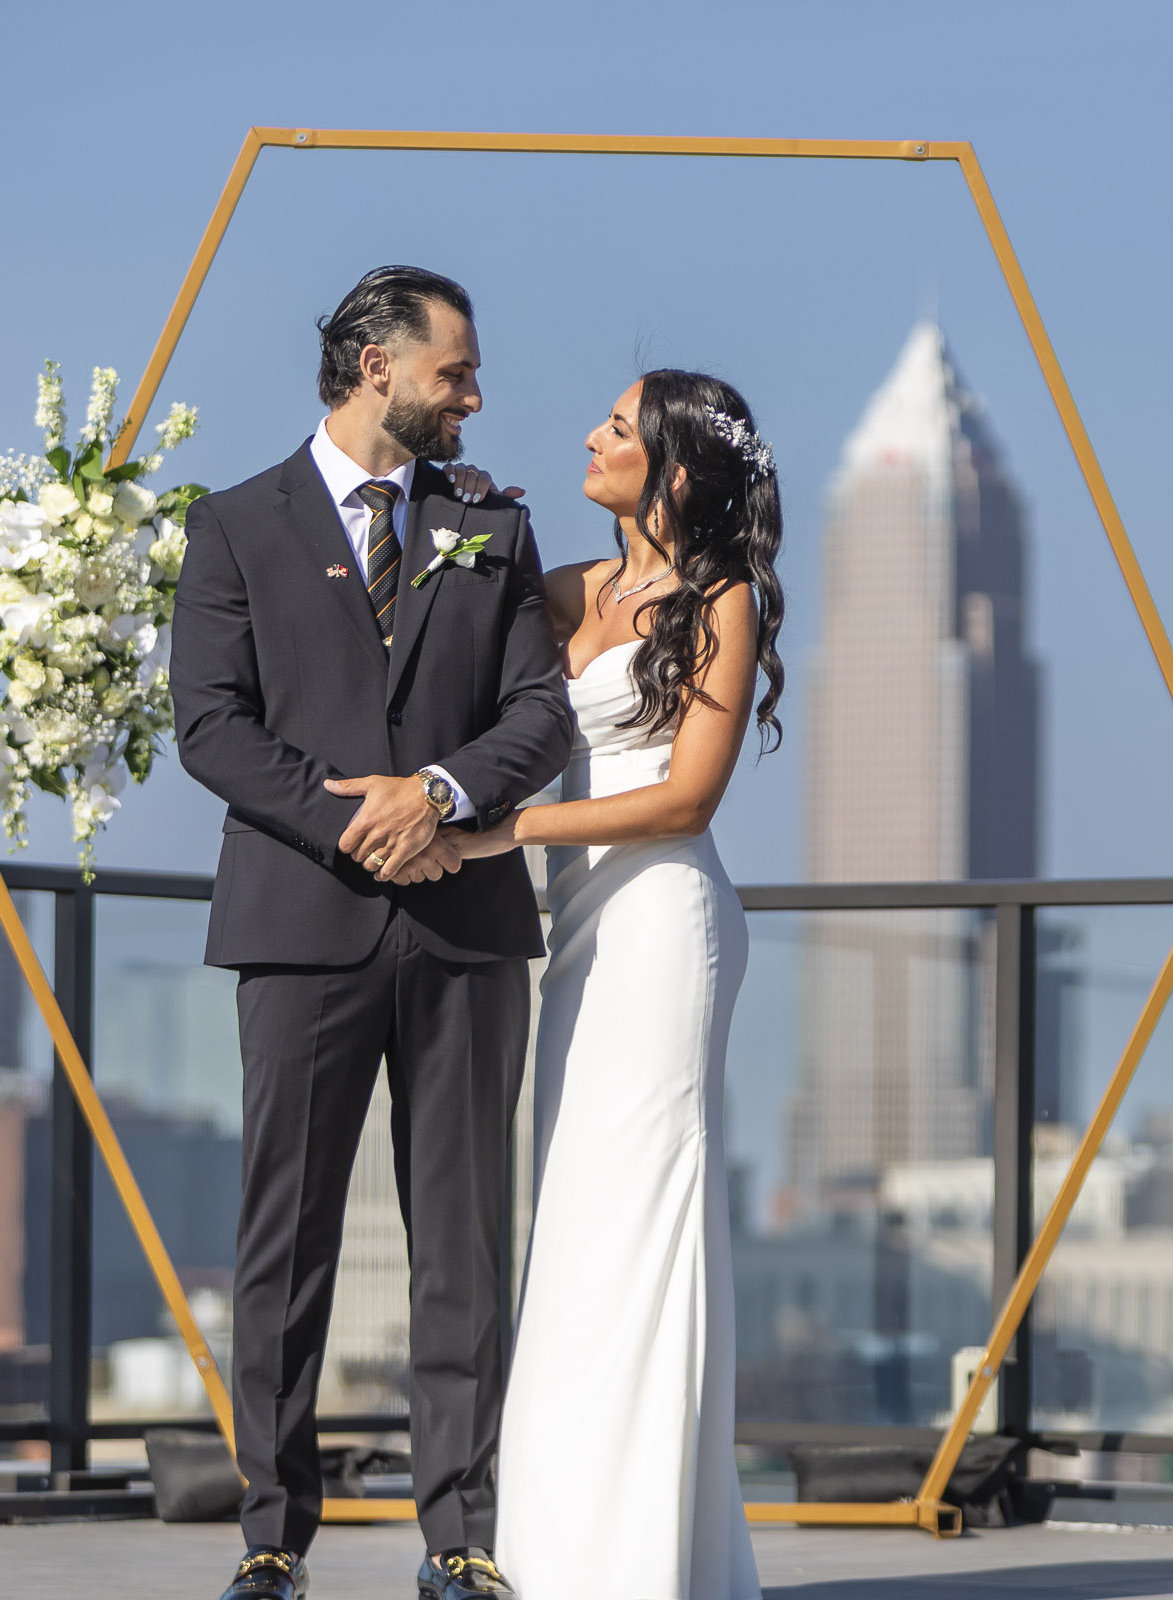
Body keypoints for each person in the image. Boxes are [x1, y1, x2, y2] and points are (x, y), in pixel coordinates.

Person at [172, 265, 573, 1600]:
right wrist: (357, 824)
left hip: (463, 930)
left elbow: (540, 713)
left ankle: (459, 1535)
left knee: (463, 1243)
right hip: (302, 925)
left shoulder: (492, 525)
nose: (473, 395)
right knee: (284, 1242)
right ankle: (274, 1541)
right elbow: (210, 725)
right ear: (372, 366)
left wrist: (441, 797)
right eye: (454, 371)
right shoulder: (234, 526)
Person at [430, 369, 783, 1599]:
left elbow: (688, 797)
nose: (592, 433)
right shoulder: (568, 584)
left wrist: (506, 834)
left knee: (644, 1227)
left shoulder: (723, 600)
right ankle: (558, 1547)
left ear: (674, 469)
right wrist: (457, 508)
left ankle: (639, 1561)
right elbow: (455, 620)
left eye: (620, 427)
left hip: (665, 930)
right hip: (578, 930)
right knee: (577, 1226)